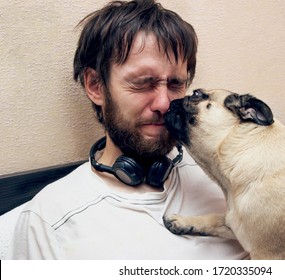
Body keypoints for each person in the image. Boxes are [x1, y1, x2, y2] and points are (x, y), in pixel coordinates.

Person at [9, 0, 247, 259]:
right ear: (96, 85)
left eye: (175, 83)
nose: (165, 104)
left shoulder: (226, 174)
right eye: (143, 83)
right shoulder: (50, 220)